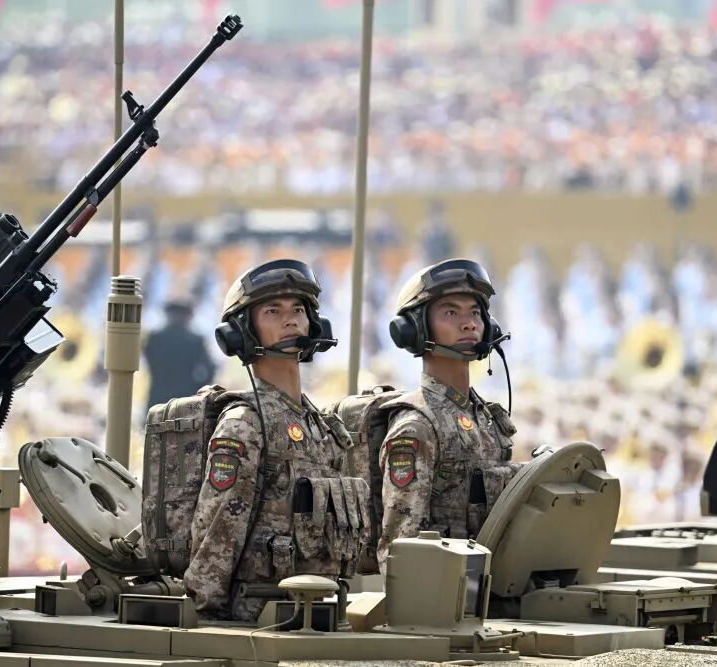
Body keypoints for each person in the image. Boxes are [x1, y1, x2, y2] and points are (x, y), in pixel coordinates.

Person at [183, 259, 370, 621]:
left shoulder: (323, 427)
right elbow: (218, 531)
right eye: (273, 311)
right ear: (243, 332)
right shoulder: (245, 424)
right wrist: (208, 621)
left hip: (319, 614)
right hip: (257, 618)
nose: (290, 320)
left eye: (298, 310)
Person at [378, 258, 522, 572]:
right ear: (417, 329)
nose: (468, 324)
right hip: (443, 593)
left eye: (475, 313)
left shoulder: (487, 418)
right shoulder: (416, 427)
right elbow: (400, 550)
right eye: (451, 313)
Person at [143, 299, 216, 406]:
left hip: (159, 394)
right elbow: (210, 368)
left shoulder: (155, 338)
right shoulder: (195, 340)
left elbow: (149, 360)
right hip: (184, 398)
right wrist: (197, 387)